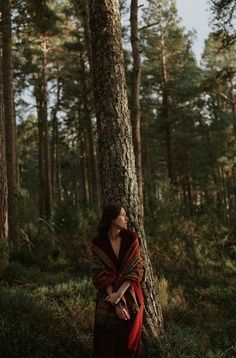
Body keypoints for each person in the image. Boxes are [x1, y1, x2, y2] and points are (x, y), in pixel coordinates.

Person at [90, 204, 144, 358]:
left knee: (128, 347)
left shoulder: (131, 238)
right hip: (108, 298)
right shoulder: (98, 243)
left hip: (131, 296)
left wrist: (119, 295)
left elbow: (136, 270)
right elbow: (99, 274)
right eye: (122, 215)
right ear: (112, 219)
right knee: (105, 347)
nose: (126, 218)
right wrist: (116, 302)